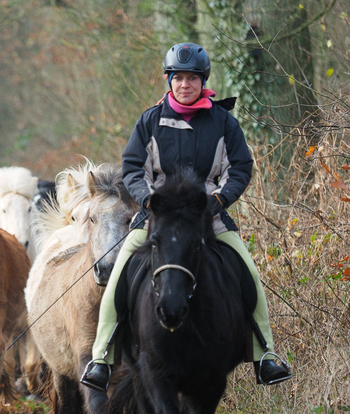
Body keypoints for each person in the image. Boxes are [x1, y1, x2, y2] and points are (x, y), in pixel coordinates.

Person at [80, 42, 292, 391]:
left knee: (247, 272)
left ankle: (265, 354)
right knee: (119, 272)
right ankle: (102, 357)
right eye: (177, 78)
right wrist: (147, 199)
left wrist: (220, 199)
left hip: (209, 218)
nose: (184, 85)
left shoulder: (224, 123)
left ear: (202, 81)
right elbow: (133, 167)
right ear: (169, 80)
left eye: (192, 78)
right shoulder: (149, 120)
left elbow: (240, 167)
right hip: (157, 217)